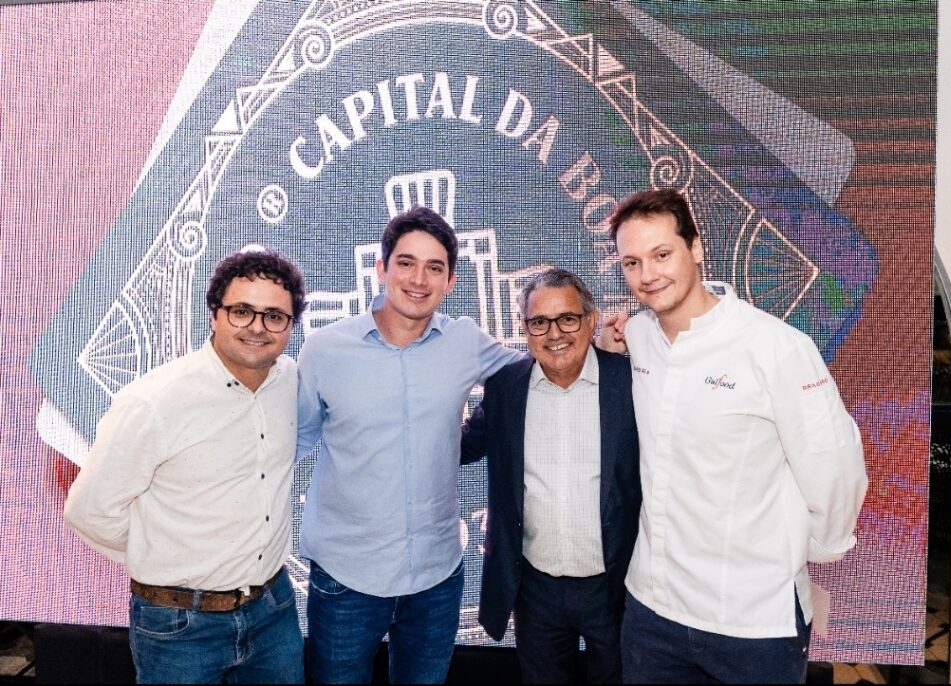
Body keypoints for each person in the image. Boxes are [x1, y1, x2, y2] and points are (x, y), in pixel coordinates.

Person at [600, 189, 868, 684]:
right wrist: (607, 340)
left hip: (754, 622)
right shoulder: (638, 337)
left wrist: (807, 552)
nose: (648, 274)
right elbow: (614, 344)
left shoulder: (777, 348)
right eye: (632, 263)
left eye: (662, 254)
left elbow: (835, 467)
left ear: (696, 247)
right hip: (652, 613)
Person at [296, 206, 523, 684]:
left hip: (436, 580)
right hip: (346, 579)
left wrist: (603, 344)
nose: (418, 279)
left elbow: (535, 374)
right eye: (406, 263)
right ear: (382, 268)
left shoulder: (465, 341)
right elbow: (288, 443)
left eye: (434, 267)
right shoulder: (324, 349)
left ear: (451, 281)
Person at [63, 249, 307, 684]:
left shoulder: (288, 379)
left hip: (274, 611)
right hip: (179, 625)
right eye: (241, 311)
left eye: (274, 316)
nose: (257, 327)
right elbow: (89, 512)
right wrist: (162, 555)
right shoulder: (152, 402)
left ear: (291, 326)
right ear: (214, 314)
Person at [461, 268, 641, 684]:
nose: (554, 333)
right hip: (535, 590)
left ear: (592, 321)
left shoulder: (631, 381)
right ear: (525, 329)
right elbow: (461, 447)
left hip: (615, 586)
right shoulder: (506, 387)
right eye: (540, 321)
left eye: (568, 319)